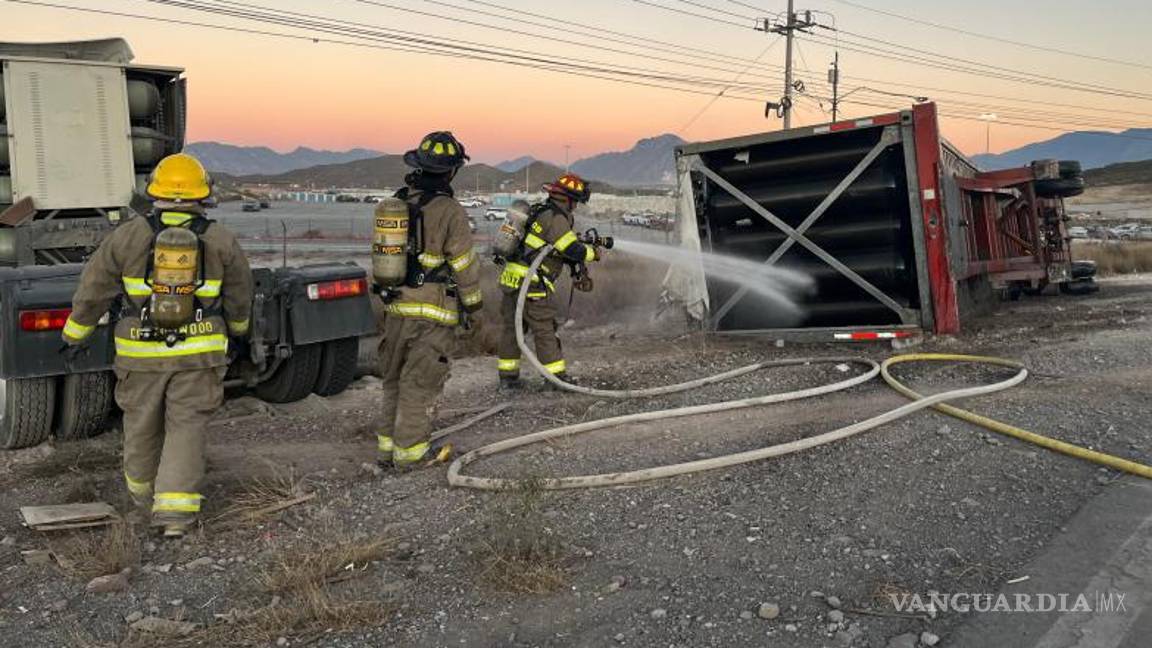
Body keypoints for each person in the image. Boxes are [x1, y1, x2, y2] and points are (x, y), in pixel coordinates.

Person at [61, 153, 252, 538]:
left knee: (141, 425)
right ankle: (175, 515)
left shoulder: (128, 236)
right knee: (187, 426)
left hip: (139, 355)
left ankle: (143, 502)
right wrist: (240, 332)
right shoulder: (219, 239)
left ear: (155, 193)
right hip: (199, 354)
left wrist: (74, 335)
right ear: (203, 195)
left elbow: (93, 289)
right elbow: (240, 296)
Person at [376, 131, 483, 469]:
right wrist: (474, 305)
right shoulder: (450, 210)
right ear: (450, 172)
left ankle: (386, 452)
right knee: (419, 385)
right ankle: (410, 457)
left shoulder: (398, 201)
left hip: (395, 309)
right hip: (432, 314)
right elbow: (464, 264)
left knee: (393, 380)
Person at [496, 173, 599, 388]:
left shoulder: (539, 211)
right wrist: (592, 253)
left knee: (512, 330)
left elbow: (551, 246)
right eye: (576, 202)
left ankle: (508, 378)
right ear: (569, 199)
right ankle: (555, 379)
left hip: (511, 280)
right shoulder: (557, 217)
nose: (576, 207)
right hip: (532, 284)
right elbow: (571, 249)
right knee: (544, 330)